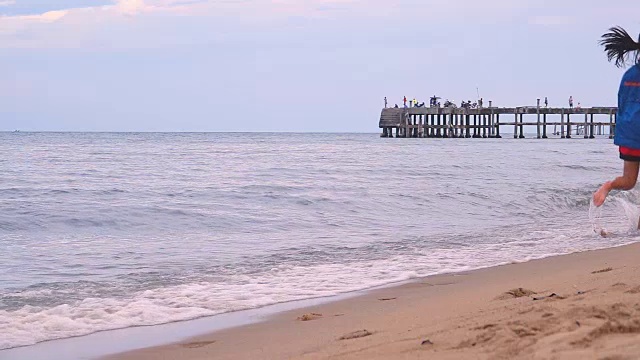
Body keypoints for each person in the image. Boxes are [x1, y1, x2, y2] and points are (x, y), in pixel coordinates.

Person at [593, 26, 640, 209]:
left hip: (628, 135)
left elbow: (622, 104)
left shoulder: (629, 75)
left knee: (628, 181)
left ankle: (608, 186)